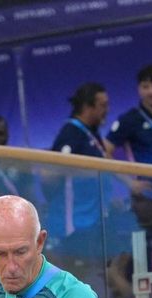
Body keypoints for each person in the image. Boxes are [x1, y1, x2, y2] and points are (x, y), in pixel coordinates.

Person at [46, 82, 110, 247]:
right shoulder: (71, 133)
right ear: (88, 107)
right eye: (103, 105)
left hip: (92, 219)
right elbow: (50, 175)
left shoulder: (92, 132)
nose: (107, 110)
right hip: (73, 223)